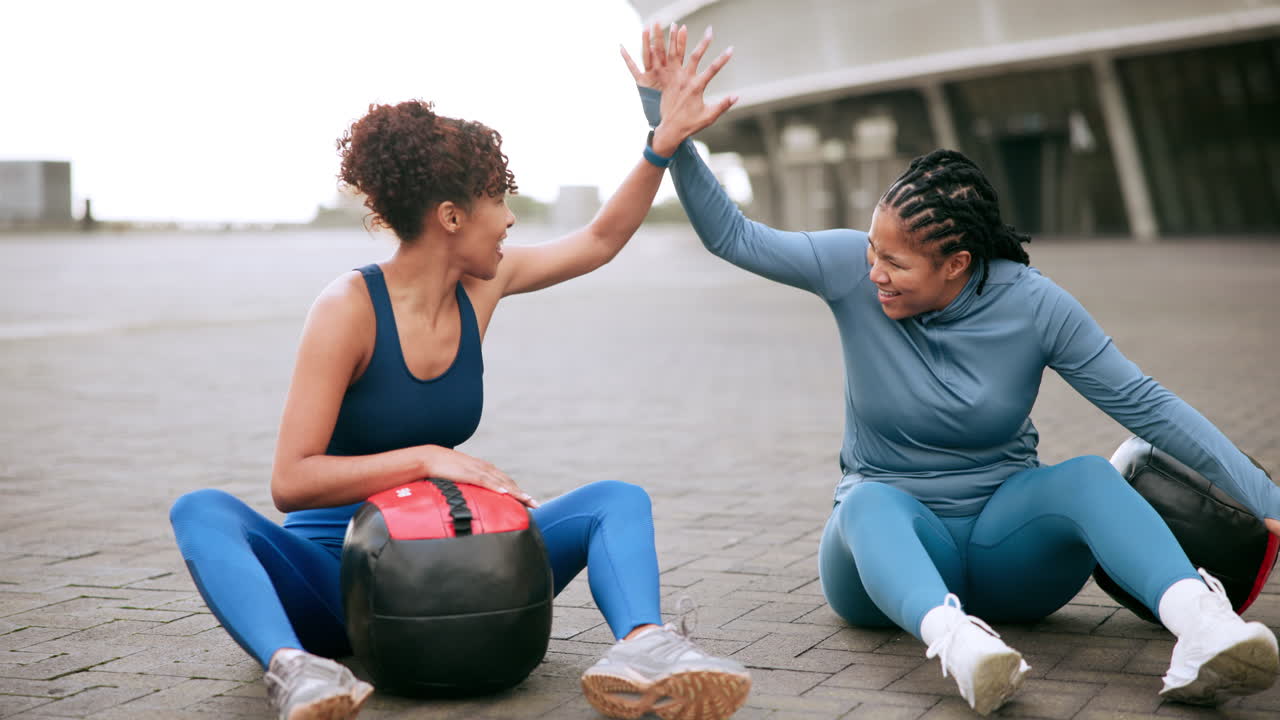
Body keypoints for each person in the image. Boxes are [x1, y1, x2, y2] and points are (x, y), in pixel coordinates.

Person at [623, 24, 1280, 716]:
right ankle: (960, 648)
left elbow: (1144, 404)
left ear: (958, 265)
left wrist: (1265, 498)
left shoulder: (1032, 305)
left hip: (1009, 549)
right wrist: (665, 132)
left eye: (895, 263)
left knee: (1089, 475)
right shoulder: (851, 270)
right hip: (885, 562)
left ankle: (1205, 629)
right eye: (872, 250)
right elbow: (732, 235)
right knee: (866, 501)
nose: (872, 271)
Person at [169, 30, 751, 720]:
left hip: (454, 565)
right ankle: (297, 671)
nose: (509, 218)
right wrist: (426, 459)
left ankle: (645, 648)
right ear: (450, 217)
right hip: (341, 581)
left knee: (616, 500)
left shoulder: (485, 284)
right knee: (200, 510)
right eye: (497, 199)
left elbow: (598, 240)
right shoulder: (347, 310)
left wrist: (662, 140)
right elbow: (290, 482)